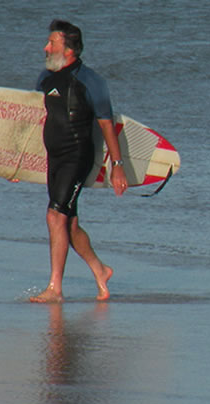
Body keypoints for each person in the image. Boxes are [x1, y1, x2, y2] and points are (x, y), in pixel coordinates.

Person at [30, 19, 126, 303]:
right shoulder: (45, 79)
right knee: (68, 224)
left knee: (54, 216)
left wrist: (117, 167)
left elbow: (107, 125)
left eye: (52, 43)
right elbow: (38, 119)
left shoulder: (92, 82)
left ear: (69, 49)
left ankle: (54, 289)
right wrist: (17, 163)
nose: (46, 47)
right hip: (55, 157)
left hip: (77, 155)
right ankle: (100, 270)